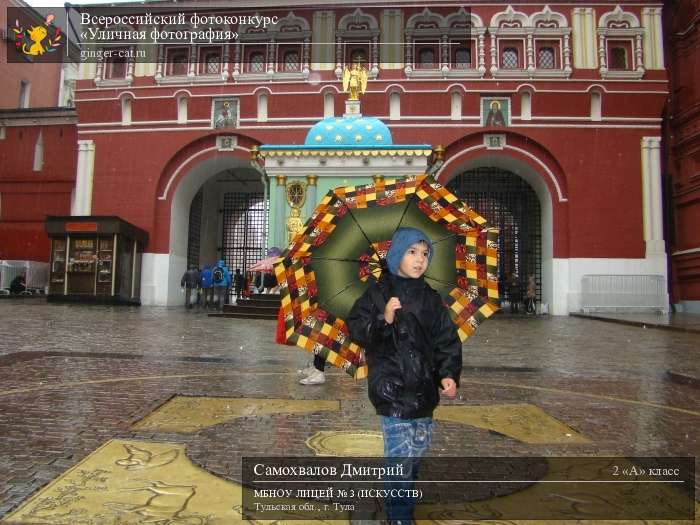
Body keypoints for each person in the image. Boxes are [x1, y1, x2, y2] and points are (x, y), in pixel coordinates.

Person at [346, 227, 461, 525]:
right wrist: (383, 320)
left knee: (415, 455)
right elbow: (357, 329)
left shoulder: (431, 299)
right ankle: (399, 517)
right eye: (412, 252)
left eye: (425, 254)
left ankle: (397, 500)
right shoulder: (377, 293)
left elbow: (445, 339)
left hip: (424, 393)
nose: (420, 259)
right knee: (400, 460)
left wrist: (447, 374)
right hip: (392, 393)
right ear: (397, 255)